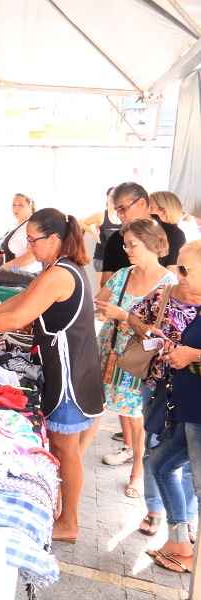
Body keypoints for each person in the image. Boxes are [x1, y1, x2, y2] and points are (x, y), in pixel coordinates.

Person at [0, 208, 103, 543]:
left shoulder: (61, 274)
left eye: (34, 241)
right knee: (61, 446)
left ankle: (69, 522)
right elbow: (23, 298)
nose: (30, 248)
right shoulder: (58, 269)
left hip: (71, 376)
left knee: (67, 449)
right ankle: (62, 512)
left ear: (54, 239)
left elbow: (19, 316)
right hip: (69, 370)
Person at [127, 241, 201, 572]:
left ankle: (187, 553)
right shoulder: (181, 297)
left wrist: (192, 356)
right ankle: (179, 540)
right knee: (159, 462)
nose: (178, 275)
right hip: (183, 406)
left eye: (185, 269)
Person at [94, 218, 176, 500]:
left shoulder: (169, 284)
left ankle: (137, 474)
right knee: (122, 411)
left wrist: (123, 316)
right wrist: (106, 312)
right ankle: (129, 452)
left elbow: (164, 333)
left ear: (153, 244)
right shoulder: (123, 274)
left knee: (137, 415)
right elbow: (100, 303)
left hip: (140, 360)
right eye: (126, 244)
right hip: (111, 353)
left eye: (133, 244)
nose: (127, 249)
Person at [101, 182, 185, 287]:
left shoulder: (173, 234)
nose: (119, 215)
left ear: (141, 203)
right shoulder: (115, 239)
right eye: (116, 210)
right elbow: (105, 282)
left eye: (122, 209)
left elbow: (171, 281)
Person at [81, 187, 121, 275]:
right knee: (103, 287)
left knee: (119, 288)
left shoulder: (124, 215)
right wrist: (91, 230)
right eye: (111, 196)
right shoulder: (101, 215)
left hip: (120, 260)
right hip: (102, 259)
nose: (114, 199)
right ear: (107, 197)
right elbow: (80, 222)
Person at [0, 193, 41, 272]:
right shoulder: (16, 225)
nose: (16, 208)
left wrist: (4, 268)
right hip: (13, 275)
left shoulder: (31, 226)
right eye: (14, 205)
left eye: (21, 205)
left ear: (30, 207)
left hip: (23, 278)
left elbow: (32, 255)